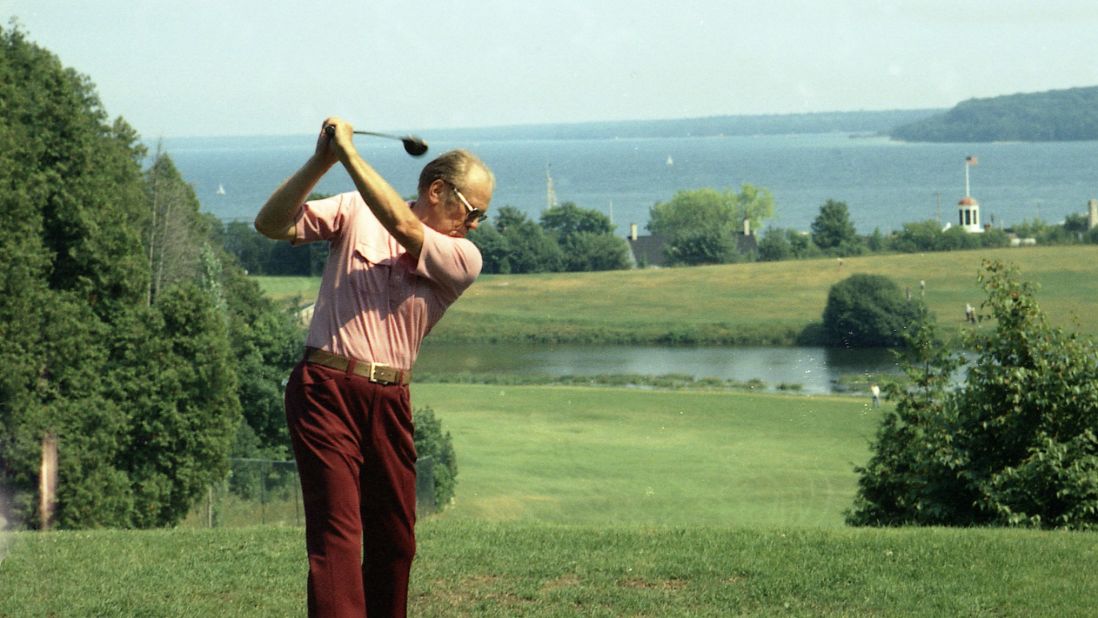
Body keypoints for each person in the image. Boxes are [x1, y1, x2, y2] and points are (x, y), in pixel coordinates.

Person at [254, 117, 493, 617]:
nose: (475, 226)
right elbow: (270, 223)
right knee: (337, 535)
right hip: (324, 389)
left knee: (395, 539)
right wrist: (322, 160)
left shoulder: (463, 257)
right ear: (437, 191)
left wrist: (349, 156)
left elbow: (404, 228)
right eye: (473, 211)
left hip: (389, 399)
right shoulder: (353, 210)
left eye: (481, 218)